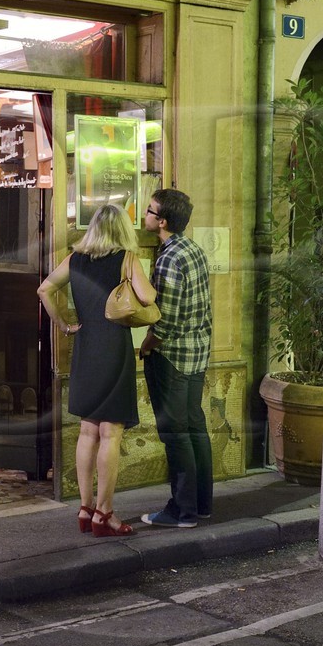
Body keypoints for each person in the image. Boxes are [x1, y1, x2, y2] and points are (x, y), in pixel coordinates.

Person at [37, 204, 155, 538]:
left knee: (88, 431)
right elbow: (147, 298)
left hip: (85, 349)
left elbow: (44, 289)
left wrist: (62, 323)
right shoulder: (126, 259)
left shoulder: (75, 260)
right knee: (110, 433)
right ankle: (105, 513)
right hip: (114, 350)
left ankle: (85, 508)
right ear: (122, 231)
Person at [137, 188, 214, 529]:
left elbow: (165, 318)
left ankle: (181, 512)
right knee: (195, 428)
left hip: (172, 357)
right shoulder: (193, 249)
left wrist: (148, 345)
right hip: (197, 354)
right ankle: (201, 504)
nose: (145, 214)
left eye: (150, 210)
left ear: (162, 221)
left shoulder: (169, 258)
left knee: (175, 434)